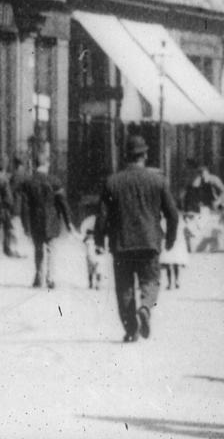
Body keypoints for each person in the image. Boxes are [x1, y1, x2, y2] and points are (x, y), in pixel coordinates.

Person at [96, 134, 179, 343]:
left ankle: (131, 330)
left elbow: (102, 216)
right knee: (150, 281)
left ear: (126, 156)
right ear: (145, 155)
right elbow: (173, 214)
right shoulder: (158, 180)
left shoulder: (112, 181)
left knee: (124, 288)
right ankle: (145, 308)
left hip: (121, 243)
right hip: (149, 242)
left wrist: (98, 240)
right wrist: (170, 238)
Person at [15, 155, 73, 289]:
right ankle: (50, 277)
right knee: (51, 249)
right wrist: (68, 221)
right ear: (46, 164)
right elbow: (62, 202)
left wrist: (25, 223)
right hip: (51, 220)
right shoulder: (55, 181)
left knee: (38, 248)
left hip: (35, 219)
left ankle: (38, 276)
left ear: (35, 165)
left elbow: (25, 204)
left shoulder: (28, 182)